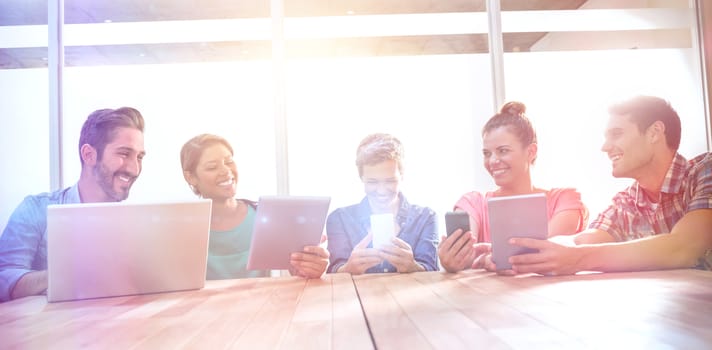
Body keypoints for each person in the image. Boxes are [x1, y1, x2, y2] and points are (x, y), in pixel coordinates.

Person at [507, 95, 712, 275]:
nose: (605, 147)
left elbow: (686, 246)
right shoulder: (627, 201)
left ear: (654, 132)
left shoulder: (705, 171)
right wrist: (515, 255)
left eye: (616, 134)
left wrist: (579, 258)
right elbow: (582, 240)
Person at [0, 107, 146, 302]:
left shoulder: (139, 224)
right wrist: (66, 273)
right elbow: (4, 281)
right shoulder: (36, 210)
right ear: (88, 155)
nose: (134, 169)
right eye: (124, 154)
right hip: (48, 329)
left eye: (139, 157)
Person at [438, 102, 589, 273]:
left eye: (503, 151)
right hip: (487, 298)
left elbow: (545, 252)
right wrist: (452, 260)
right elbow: (461, 256)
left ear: (531, 152)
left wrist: (492, 257)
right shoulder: (473, 202)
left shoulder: (564, 200)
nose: (493, 161)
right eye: (487, 153)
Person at [180, 134, 329, 279]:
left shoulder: (265, 217)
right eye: (212, 167)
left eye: (229, 161)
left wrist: (310, 267)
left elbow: (298, 272)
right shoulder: (182, 230)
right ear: (191, 177)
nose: (226, 171)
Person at [326, 133, 439, 274]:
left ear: (402, 175)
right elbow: (334, 269)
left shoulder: (425, 218)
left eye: (390, 181)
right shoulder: (339, 219)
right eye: (372, 182)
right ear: (361, 177)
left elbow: (432, 271)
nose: (381, 191)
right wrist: (348, 269)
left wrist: (413, 267)